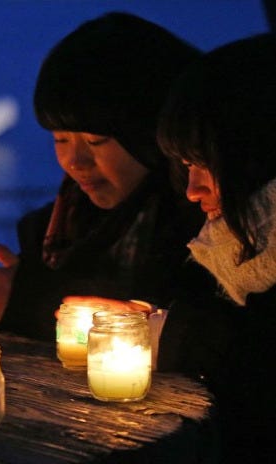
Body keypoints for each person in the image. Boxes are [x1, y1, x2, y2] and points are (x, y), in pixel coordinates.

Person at [0, 12, 209, 341]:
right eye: (60, 139)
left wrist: (24, 301)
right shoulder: (57, 231)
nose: (74, 161)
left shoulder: (207, 230)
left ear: (150, 135)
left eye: (94, 141)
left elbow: (186, 327)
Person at [153, 33, 276, 462]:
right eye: (186, 165)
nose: (191, 189)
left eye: (206, 162)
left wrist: (184, 335)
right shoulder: (229, 261)